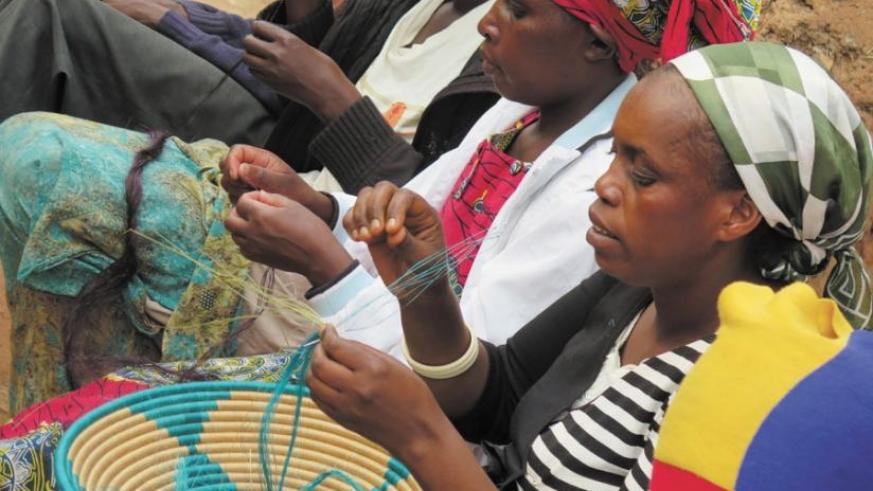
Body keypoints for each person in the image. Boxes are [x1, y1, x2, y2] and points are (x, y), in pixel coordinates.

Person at [0, 0, 757, 414]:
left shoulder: (600, 191)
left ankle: (60, 430)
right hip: (356, 309)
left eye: (520, 9)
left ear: (599, 47)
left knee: (45, 165)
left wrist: (325, 262)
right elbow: (396, 217)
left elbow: (453, 367)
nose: (491, 20)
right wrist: (316, 206)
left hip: (376, 362)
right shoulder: (517, 115)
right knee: (48, 170)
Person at [303, 42, 873, 490]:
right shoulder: (636, 291)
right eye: (614, 158)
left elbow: (450, 432)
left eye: (642, 176)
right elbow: (498, 397)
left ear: (739, 212)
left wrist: (420, 436)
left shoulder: (735, 386)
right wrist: (422, 290)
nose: (604, 186)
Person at [0, 0, 498, 191]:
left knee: (45, 17)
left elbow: (434, 209)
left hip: (293, 164)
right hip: (291, 131)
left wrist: (178, 26)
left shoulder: (504, 53)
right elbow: (305, 52)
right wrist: (192, 20)